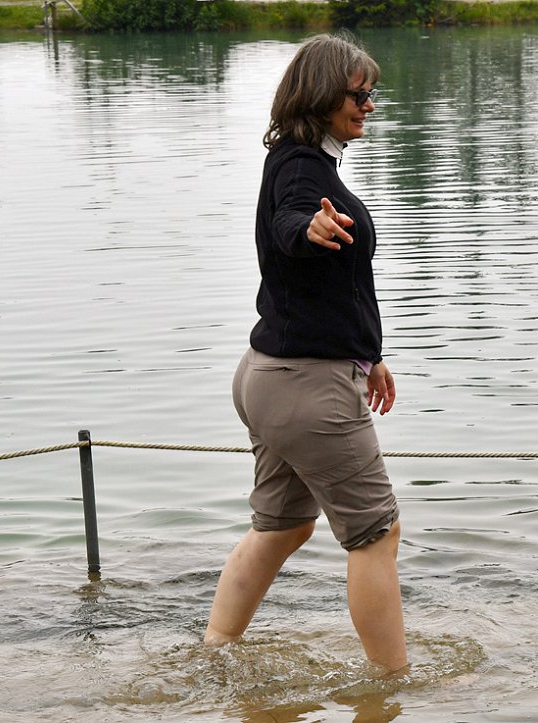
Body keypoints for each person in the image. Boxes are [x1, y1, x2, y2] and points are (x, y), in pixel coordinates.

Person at [204, 34, 407, 672]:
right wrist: (308, 228)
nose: (369, 104)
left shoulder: (305, 159)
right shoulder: (300, 169)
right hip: (305, 386)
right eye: (358, 94)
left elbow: (338, 283)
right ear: (321, 94)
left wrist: (368, 353)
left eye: (371, 93)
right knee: (376, 534)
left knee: (283, 527)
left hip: (271, 375)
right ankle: (392, 684)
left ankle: (215, 653)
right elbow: (291, 224)